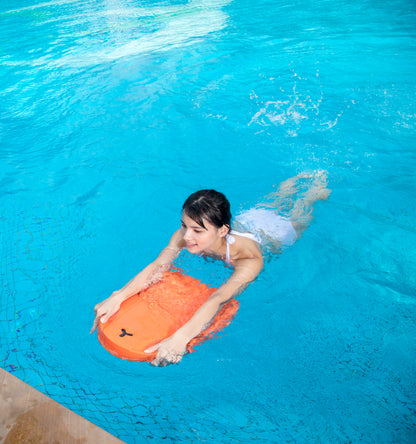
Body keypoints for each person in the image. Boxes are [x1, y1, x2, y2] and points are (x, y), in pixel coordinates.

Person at [90, 171, 330, 366]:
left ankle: (312, 192)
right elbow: (159, 264)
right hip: (251, 220)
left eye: (197, 230)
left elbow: (218, 298)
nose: (187, 236)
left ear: (222, 230)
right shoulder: (191, 234)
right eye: (184, 226)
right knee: (275, 200)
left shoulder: (249, 260)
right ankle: (292, 183)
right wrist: (119, 296)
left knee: (299, 213)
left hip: (277, 234)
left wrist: (181, 338)